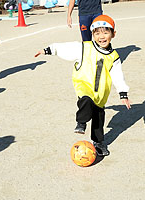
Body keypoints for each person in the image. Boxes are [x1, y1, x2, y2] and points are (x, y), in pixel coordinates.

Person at [35, 15, 131, 156]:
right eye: (97, 33)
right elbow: (65, 48)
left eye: (105, 32)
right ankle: (81, 122)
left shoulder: (114, 56)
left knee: (99, 118)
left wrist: (123, 93)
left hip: (101, 93)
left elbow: (118, 75)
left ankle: (98, 143)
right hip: (84, 85)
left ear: (113, 34)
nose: (101, 36)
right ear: (92, 34)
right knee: (86, 99)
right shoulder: (84, 48)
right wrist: (48, 50)